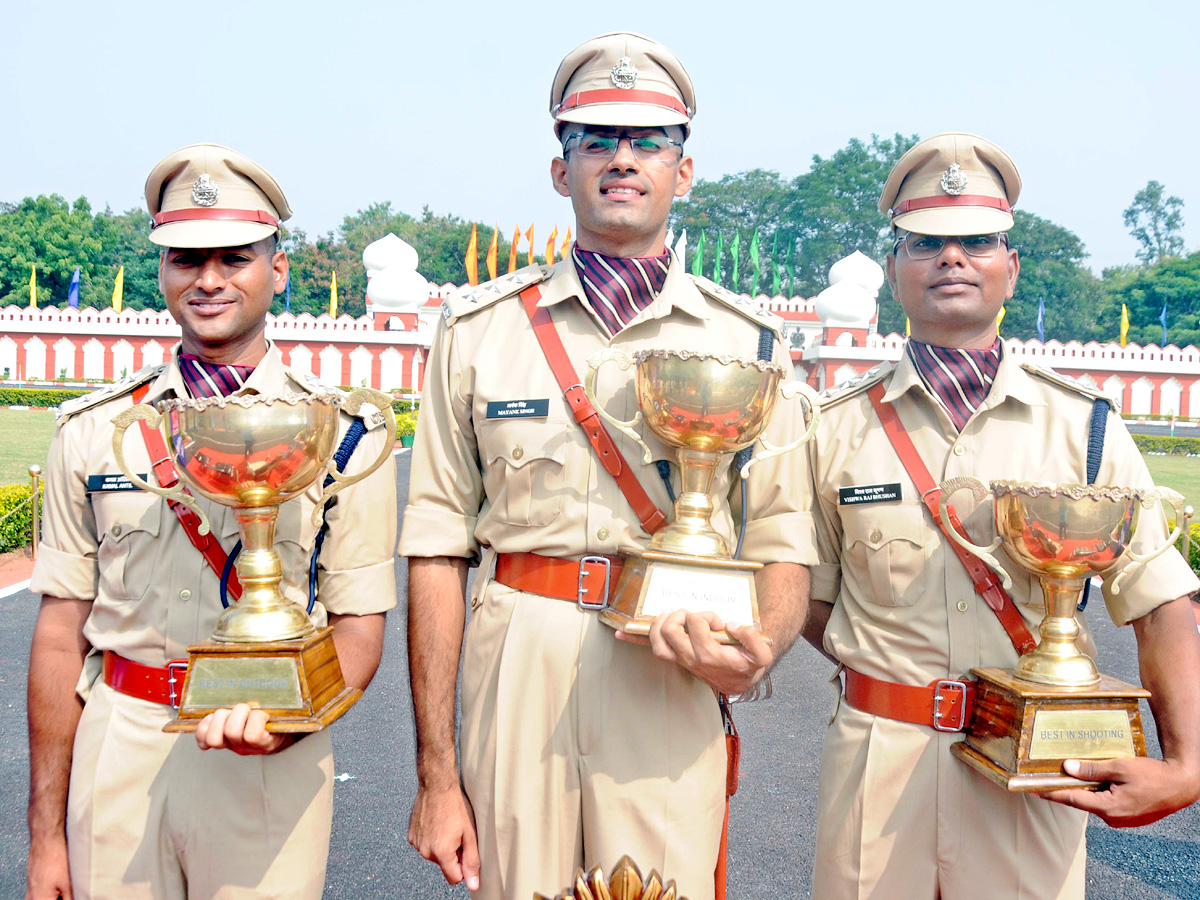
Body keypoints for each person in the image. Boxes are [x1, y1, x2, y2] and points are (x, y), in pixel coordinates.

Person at [400, 31, 814, 900]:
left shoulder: (751, 345)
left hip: (669, 666)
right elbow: (437, 548)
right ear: (562, 170)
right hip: (520, 659)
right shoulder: (479, 331)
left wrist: (761, 651)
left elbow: (783, 535)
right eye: (596, 138)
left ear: (683, 169)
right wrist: (438, 776)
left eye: (648, 140)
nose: (622, 159)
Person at [803, 132, 1200, 899]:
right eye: (926, 243)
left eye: (978, 241)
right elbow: (812, 600)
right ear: (892, 271)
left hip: (1034, 769)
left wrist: (1185, 766)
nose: (952, 258)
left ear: (1011, 266)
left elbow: (1160, 601)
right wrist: (897, 674)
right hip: (877, 763)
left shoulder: (1082, 427)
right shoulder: (833, 427)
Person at [25, 143, 398, 900]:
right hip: (121, 741)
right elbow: (61, 631)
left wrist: (291, 724)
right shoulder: (95, 431)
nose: (209, 280)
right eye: (186, 259)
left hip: (268, 757)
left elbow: (359, 628)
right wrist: (44, 838)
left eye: (235, 257)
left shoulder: (340, 432)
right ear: (162, 270)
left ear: (278, 269)